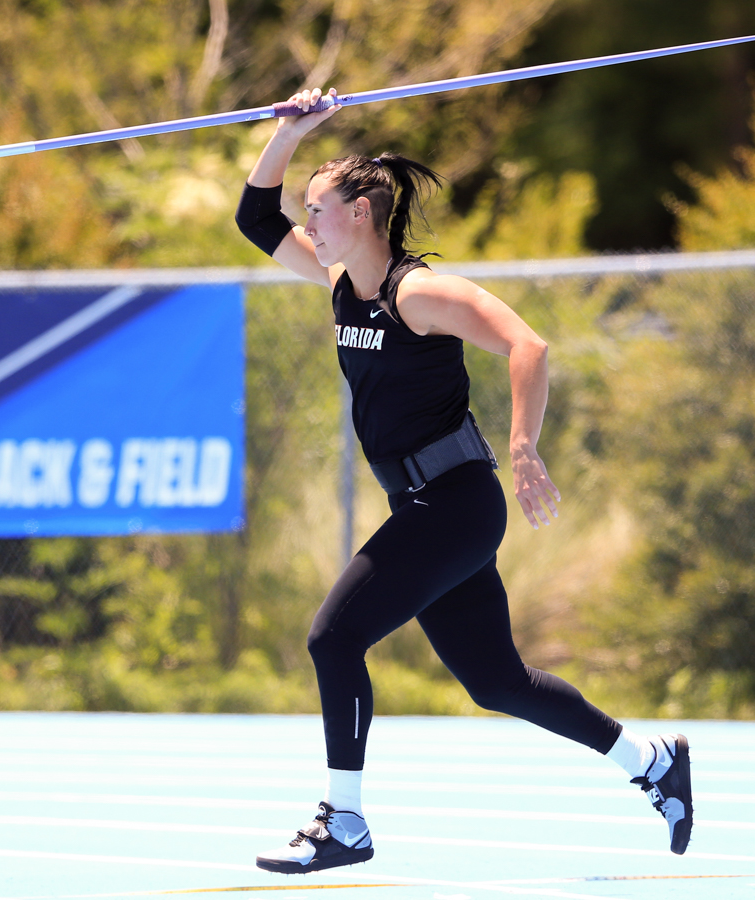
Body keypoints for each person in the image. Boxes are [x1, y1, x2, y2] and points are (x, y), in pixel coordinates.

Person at [234, 88, 694, 875]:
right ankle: (652, 762)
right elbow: (253, 215)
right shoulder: (339, 279)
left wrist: (523, 445)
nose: (306, 222)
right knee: (497, 682)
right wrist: (290, 132)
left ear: (360, 214)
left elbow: (528, 346)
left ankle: (346, 823)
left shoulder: (417, 294)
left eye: (317, 209)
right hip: (425, 505)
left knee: (334, 638)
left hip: (454, 504)